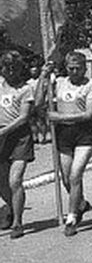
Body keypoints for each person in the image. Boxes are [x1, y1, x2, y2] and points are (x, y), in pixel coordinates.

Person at [47, 51, 92, 236]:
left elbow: (89, 114)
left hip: (84, 135)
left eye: (78, 68)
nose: (75, 71)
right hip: (64, 136)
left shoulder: (91, 85)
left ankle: (72, 217)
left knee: (75, 175)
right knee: (65, 178)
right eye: (71, 68)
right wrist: (43, 76)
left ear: (85, 68)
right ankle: (81, 203)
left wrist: (60, 117)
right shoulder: (59, 82)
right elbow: (40, 100)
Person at [0, 51, 35, 239]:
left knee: (15, 180)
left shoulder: (25, 89)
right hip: (1, 138)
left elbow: (23, 117)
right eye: (7, 68)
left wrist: (3, 131)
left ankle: (17, 223)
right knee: (2, 183)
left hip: (19, 137)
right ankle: (11, 208)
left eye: (15, 68)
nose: (11, 72)